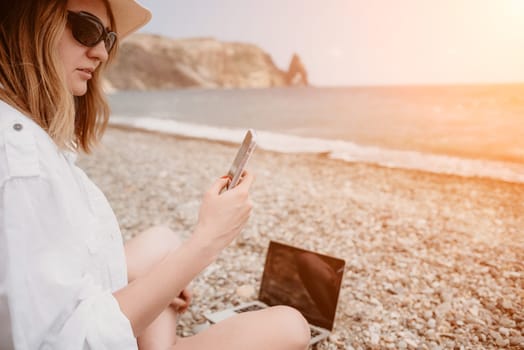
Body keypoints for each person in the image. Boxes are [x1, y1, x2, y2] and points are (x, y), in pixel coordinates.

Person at [0, 0, 311, 349]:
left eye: (109, 38)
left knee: (161, 242)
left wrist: (160, 283)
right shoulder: (20, 162)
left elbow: (59, 266)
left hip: (83, 303)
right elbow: (64, 340)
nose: (101, 52)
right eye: (87, 30)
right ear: (27, 23)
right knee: (292, 325)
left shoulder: (24, 134)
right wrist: (206, 242)